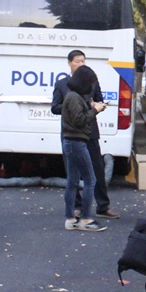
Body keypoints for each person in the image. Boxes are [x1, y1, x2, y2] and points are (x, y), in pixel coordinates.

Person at [50, 49, 117, 219]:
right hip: (71, 132)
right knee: (73, 173)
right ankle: (77, 207)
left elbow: (99, 101)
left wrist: (95, 106)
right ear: (69, 63)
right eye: (77, 61)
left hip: (90, 130)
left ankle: (103, 205)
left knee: (97, 169)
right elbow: (55, 107)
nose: (81, 64)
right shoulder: (62, 84)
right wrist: (73, 107)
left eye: (83, 61)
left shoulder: (92, 82)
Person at [61, 65, 105, 232]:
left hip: (71, 142)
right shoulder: (73, 97)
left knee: (72, 181)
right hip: (77, 142)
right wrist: (94, 110)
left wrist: (91, 107)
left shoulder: (74, 96)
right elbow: (79, 120)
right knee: (90, 180)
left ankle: (70, 218)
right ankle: (85, 218)